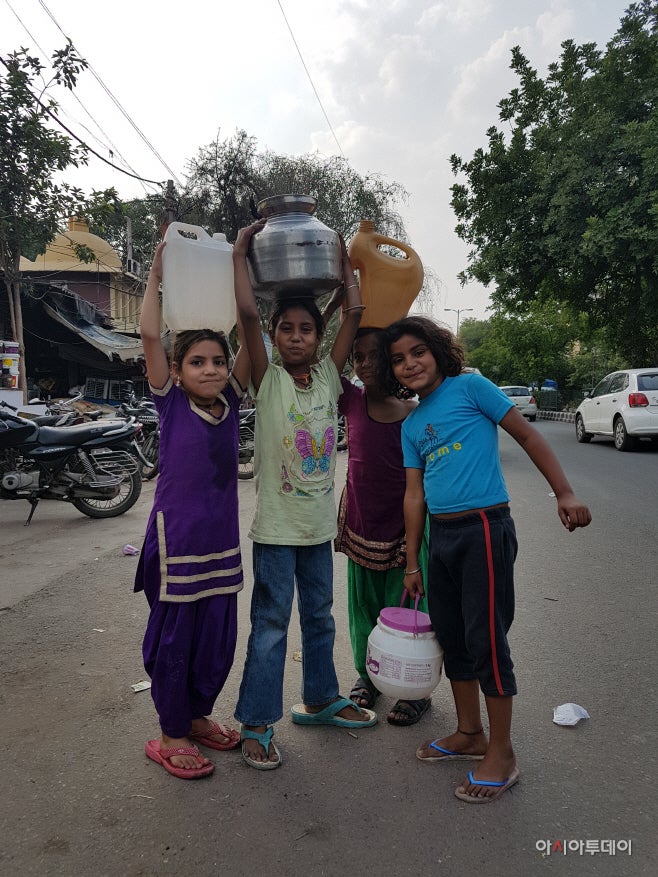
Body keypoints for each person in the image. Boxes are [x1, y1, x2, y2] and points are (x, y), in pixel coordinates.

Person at [381, 315, 592, 803]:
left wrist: (563, 492)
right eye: (398, 359)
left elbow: (527, 436)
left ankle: (503, 752)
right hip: (443, 537)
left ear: (436, 350)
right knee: (453, 636)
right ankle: (470, 733)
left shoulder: (471, 387)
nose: (410, 363)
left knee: (487, 641)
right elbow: (414, 496)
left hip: (484, 528)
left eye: (418, 351)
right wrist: (412, 561)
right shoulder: (412, 425)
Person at [233, 219, 377, 770]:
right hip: (275, 533)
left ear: (318, 340)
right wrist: (240, 257)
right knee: (271, 626)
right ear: (273, 335)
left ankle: (320, 699)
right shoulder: (266, 379)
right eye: (286, 328)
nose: (297, 336)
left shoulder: (327, 380)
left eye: (307, 329)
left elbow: (355, 314)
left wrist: (344, 269)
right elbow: (248, 313)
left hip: (318, 531)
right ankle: (256, 722)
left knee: (319, 617)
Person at [135, 240, 249, 780]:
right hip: (177, 543)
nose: (211, 369)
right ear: (176, 372)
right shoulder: (170, 403)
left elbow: (250, 328)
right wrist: (158, 272)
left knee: (215, 638)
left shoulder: (232, 405)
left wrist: (238, 268)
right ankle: (169, 733)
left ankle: (197, 715)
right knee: (177, 637)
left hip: (221, 544)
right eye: (197, 362)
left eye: (219, 361)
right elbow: (151, 334)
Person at [329, 323, 431, 726]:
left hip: (405, 530)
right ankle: (368, 674)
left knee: (410, 611)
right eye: (358, 357)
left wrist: (415, 545)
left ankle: (416, 689)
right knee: (363, 609)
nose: (365, 364)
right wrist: (344, 312)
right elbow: (326, 366)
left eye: (375, 356)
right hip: (360, 525)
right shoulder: (350, 400)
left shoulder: (414, 414)